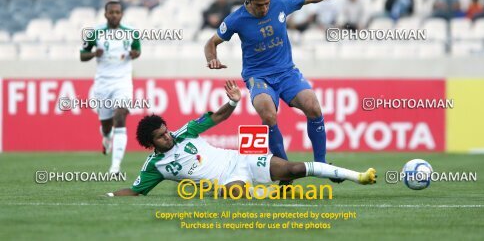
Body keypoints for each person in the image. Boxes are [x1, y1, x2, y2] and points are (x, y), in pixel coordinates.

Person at [204, 0, 364, 184]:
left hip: (287, 72)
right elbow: (211, 43)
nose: (265, 8)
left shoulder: (281, 2)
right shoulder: (236, 19)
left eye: (267, 3)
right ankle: (285, 171)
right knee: (268, 115)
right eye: (260, 5)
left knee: (313, 107)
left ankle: (321, 164)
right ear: (248, 1)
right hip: (258, 76)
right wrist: (212, 59)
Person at [107, 80, 376, 197]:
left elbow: (217, 117)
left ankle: (358, 176)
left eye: (166, 130)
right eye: (161, 137)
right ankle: (275, 190)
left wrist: (233, 103)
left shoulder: (185, 132)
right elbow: (135, 190)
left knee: (293, 168)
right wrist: (108, 194)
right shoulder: (155, 167)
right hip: (228, 181)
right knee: (234, 194)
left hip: (242, 160)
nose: (168, 136)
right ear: (151, 143)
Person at [80, 1, 141, 174]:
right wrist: (93, 53)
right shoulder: (95, 33)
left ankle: (115, 167)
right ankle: (106, 137)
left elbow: (137, 52)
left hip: (122, 82)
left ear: (121, 14)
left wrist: (133, 54)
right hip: (103, 84)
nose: (114, 15)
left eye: (117, 12)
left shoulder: (131, 33)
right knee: (106, 125)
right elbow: (82, 55)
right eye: (111, 12)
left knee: (120, 116)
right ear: (105, 14)